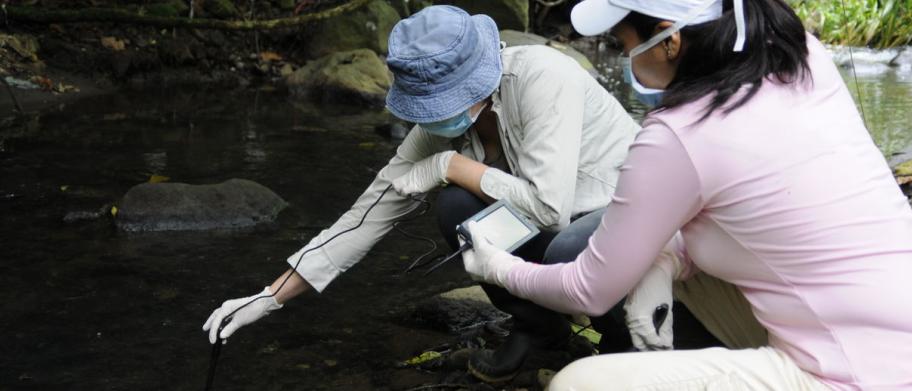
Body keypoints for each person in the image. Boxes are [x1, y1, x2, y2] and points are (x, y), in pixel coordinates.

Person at [458, 0, 912, 389]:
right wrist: (668, 261)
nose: (624, 60)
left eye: (621, 44)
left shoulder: (679, 134)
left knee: (578, 384)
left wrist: (497, 266)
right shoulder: (805, 61)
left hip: (861, 376)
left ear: (669, 41)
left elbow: (588, 291)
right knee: (646, 262)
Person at [202, 5, 659, 382]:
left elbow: (549, 209)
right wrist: (266, 298)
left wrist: (449, 165)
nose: (431, 117)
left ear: (478, 78)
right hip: (558, 227)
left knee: (566, 244)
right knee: (457, 208)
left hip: (629, 219)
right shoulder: (441, 125)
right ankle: (540, 330)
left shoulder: (544, 78)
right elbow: (369, 214)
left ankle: (625, 347)